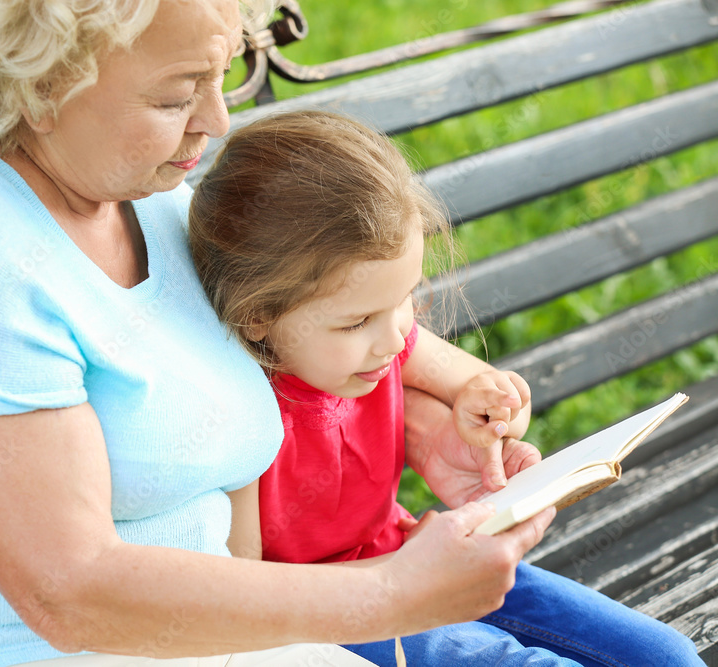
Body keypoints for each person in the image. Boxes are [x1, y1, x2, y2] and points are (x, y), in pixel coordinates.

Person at [0, 2, 557, 665]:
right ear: (43, 84)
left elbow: (238, 357)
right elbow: (69, 590)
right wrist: (390, 592)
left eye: (221, 77)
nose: (215, 120)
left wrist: (417, 417)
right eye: (178, 95)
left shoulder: (134, 186)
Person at [187, 109, 705, 666]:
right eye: (356, 321)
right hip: (338, 620)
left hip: (418, 556)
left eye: (405, 296)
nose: (394, 339)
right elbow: (247, 591)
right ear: (259, 316)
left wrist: (492, 413)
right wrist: (405, 577)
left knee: (665, 653)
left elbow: (487, 395)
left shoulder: (385, 341)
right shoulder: (244, 411)